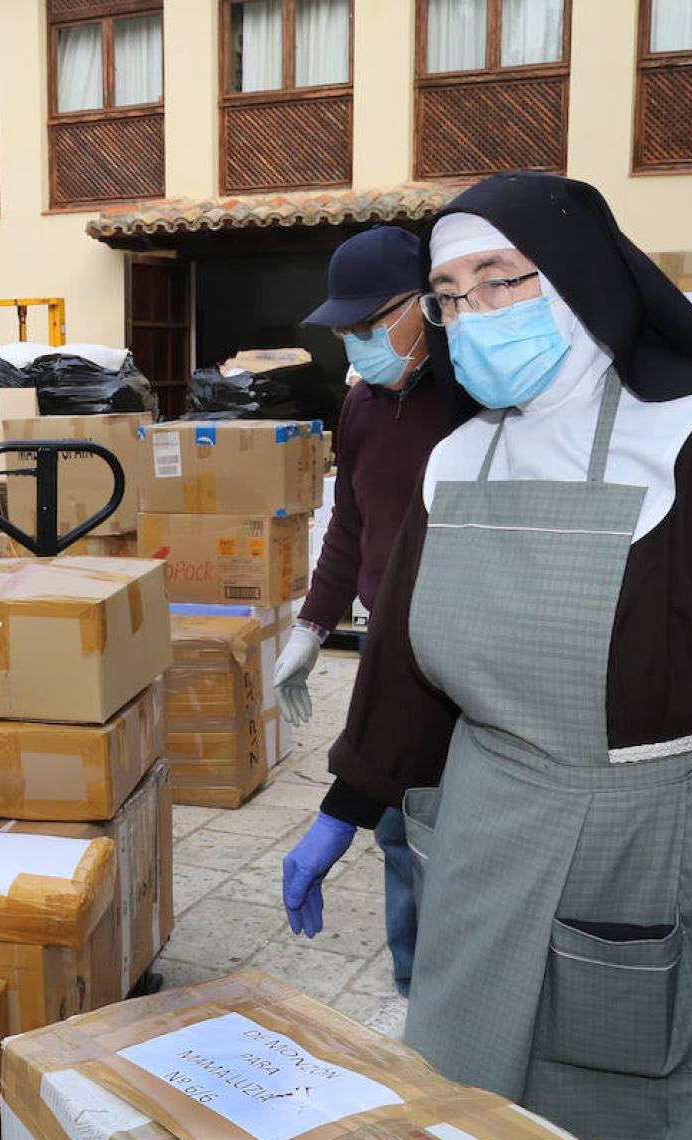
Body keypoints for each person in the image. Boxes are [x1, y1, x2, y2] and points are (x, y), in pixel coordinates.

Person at [278, 173, 692, 1140]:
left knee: (673, 1132)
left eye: (498, 281)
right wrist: (345, 808)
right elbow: (408, 673)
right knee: (480, 1129)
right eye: (450, 294)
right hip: (487, 852)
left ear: (574, 280)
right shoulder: (458, 456)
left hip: (663, 853)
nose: (473, 316)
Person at [271, 226, 460, 998]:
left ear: (429, 305)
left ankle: (460, 988)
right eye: (345, 330)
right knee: (396, 828)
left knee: (452, 830)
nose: (357, 344)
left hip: (459, 644)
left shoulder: (475, 399)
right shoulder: (359, 404)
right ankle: (414, 982)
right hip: (389, 644)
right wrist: (313, 625)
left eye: (370, 323)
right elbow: (350, 520)